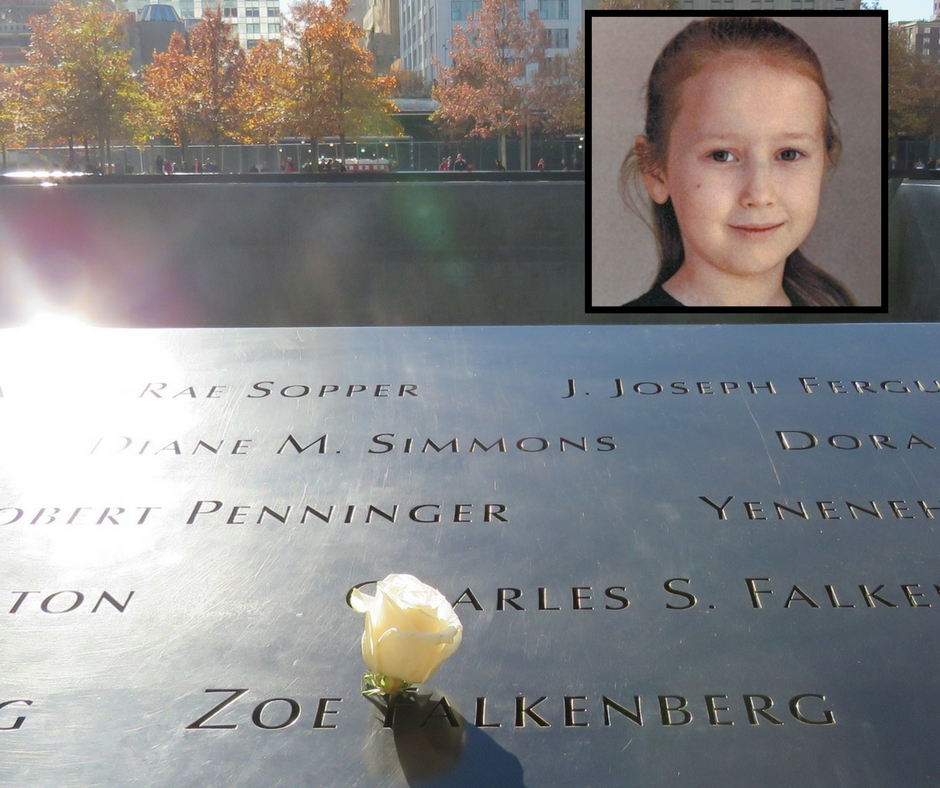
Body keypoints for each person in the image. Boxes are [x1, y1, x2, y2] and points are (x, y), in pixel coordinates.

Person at [619, 17, 855, 308]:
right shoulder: (619, 338)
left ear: (822, 165)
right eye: (721, 155)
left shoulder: (840, 327)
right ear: (655, 171)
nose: (759, 194)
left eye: (788, 154)